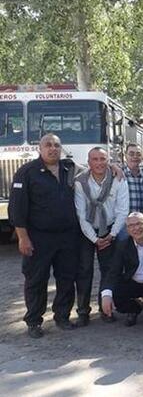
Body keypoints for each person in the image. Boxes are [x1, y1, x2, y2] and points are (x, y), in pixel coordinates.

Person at [9, 133, 81, 337]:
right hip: (38, 237)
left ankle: (62, 316)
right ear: (40, 148)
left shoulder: (70, 168)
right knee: (36, 280)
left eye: (57, 145)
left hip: (67, 236)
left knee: (67, 278)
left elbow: (93, 171)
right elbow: (17, 209)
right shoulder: (27, 172)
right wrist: (23, 237)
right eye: (48, 145)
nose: (53, 149)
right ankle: (34, 321)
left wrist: (114, 167)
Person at [73, 147, 130, 326]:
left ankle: (106, 309)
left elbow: (123, 211)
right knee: (84, 270)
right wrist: (95, 239)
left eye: (103, 159)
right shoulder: (80, 182)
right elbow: (80, 215)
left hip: (110, 229)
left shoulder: (119, 179)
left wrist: (111, 235)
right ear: (88, 162)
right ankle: (83, 312)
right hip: (87, 231)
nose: (99, 163)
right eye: (95, 159)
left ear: (108, 161)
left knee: (109, 270)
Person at [122, 142, 143, 215]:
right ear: (125, 156)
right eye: (131, 154)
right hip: (123, 221)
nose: (135, 157)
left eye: (138, 154)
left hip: (142, 221)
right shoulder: (119, 174)